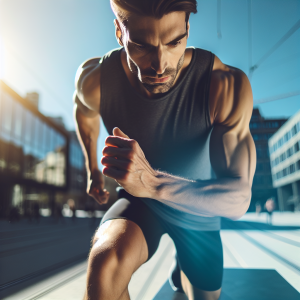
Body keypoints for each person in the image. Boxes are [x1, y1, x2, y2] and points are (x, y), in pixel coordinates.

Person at [73, 1, 256, 299]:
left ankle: (182, 266)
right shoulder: (95, 80)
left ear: (187, 29)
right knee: (104, 265)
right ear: (120, 33)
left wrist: (152, 183)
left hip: (198, 206)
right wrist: (91, 168)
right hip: (139, 202)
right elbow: (83, 111)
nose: (160, 64)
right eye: (142, 45)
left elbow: (237, 200)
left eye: (174, 42)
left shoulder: (223, 85)